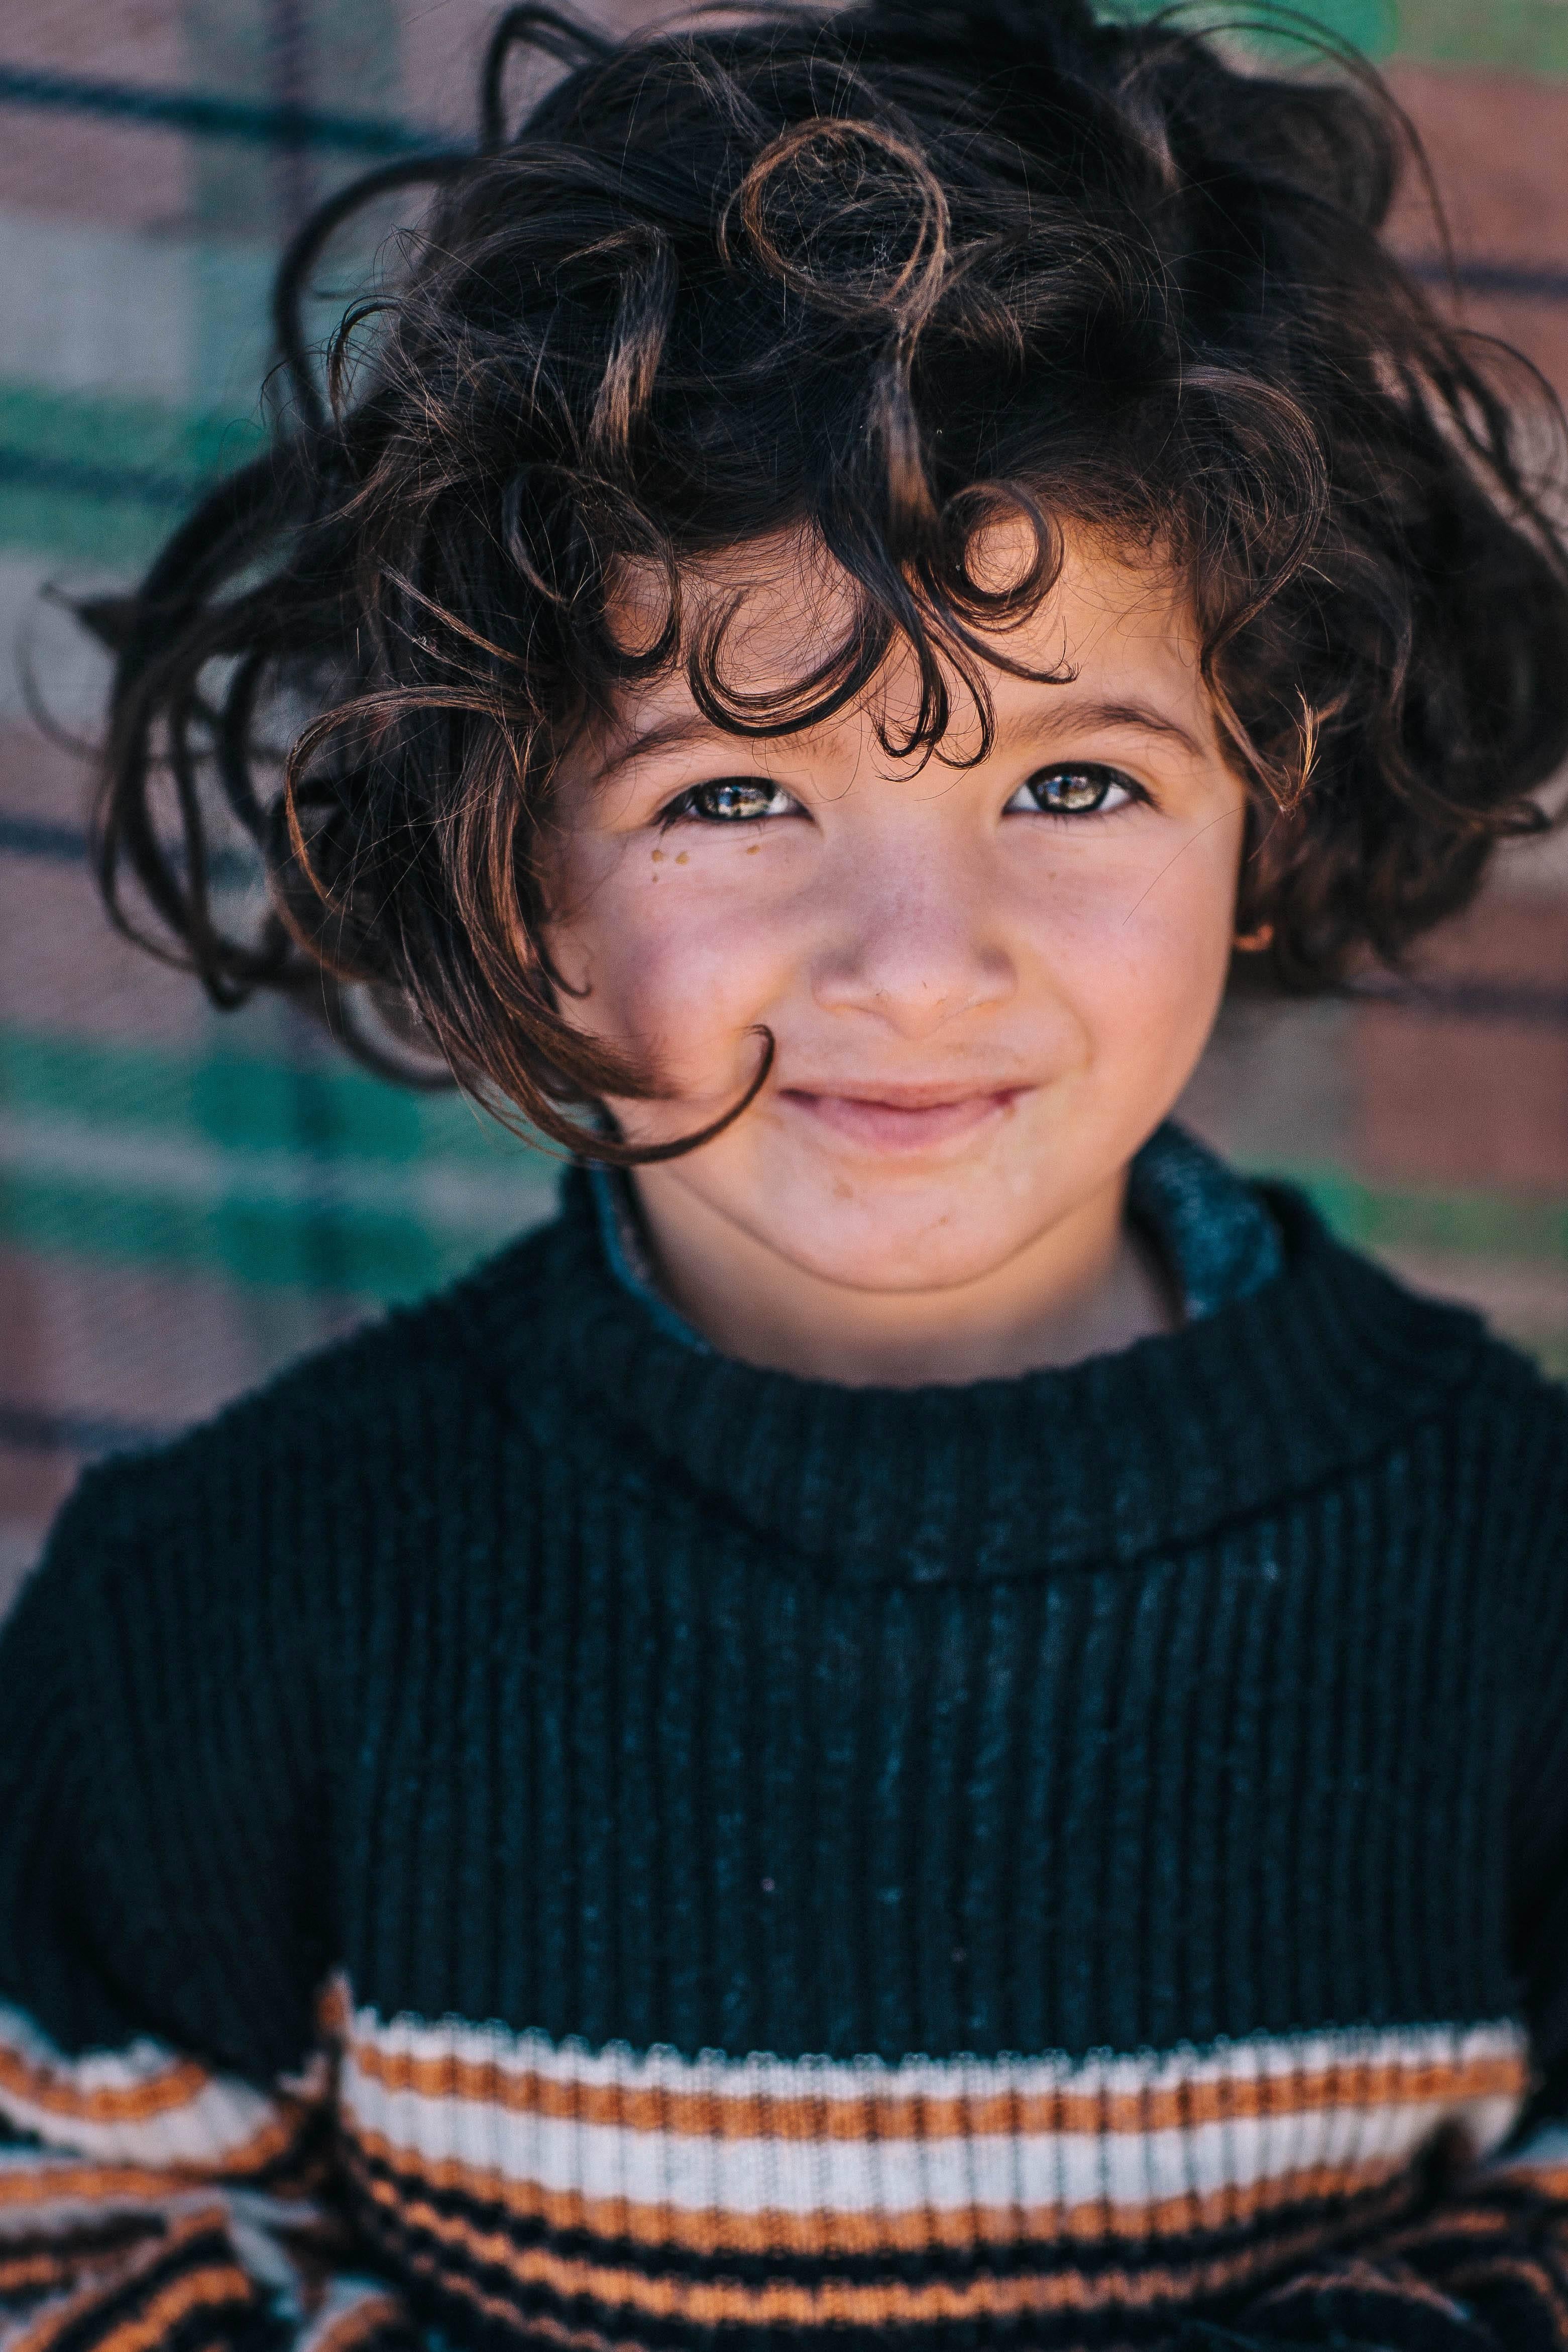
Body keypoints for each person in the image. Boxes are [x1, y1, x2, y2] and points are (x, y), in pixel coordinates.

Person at [4, 2, 1568, 2347]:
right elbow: (70, 2228)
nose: (918, 969)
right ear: (514, 858)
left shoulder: (1517, 1571)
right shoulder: (223, 1610)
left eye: (1078, 784)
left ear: (1270, 808)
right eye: (737, 795)